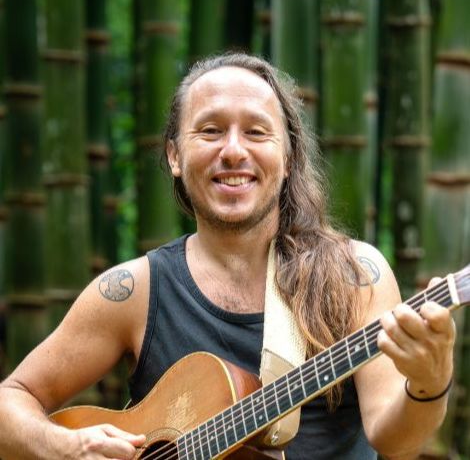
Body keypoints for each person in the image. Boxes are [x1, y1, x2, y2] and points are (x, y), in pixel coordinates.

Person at [0, 53, 455, 460]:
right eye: (210, 131)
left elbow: (396, 443)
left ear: (288, 157)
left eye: (256, 132)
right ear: (175, 156)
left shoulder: (354, 276)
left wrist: (429, 382)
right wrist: (65, 447)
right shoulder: (135, 292)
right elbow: (10, 400)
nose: (234, 151)